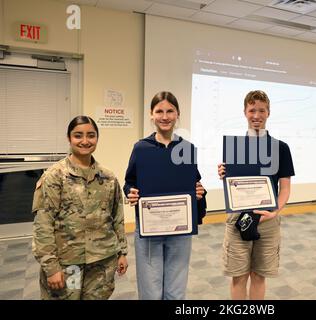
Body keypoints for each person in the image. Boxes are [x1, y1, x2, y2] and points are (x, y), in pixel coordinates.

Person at [32, 116, 128, 300]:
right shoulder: (54, 177)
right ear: (69, 138)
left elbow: (117, 218)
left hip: (102, 263)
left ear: (97, 138)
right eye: (78, 136)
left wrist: (122, 253)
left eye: (91, 135)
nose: (85, 141)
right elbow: (43, 226)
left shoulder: (108, 177)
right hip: (68, 265)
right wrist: (51, 267)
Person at [124, 91, 207, 300]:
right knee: (150, 290)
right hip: (150, 227)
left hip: (180, 228)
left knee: (176, 289)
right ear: (151, 115)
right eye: (159, 111)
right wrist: (130, 193)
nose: (165, 116)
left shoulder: (186, 149)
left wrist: (199, 192)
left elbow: (195, 183)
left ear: (177, 114)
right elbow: (129, 182)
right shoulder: (141, 148)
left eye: (170, 111)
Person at [218, 90, 295, 300]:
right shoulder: (235, 147)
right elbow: (233, 183)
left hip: (267, 220)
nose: (256, 115)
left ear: (268, 112)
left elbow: (285, 187)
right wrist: (224, 174)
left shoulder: (281, 148)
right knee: (238, 276)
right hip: (238, 218)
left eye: (262, 110)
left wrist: (274, 212)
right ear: (245, 112)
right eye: (252, 110)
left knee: (259, 276)